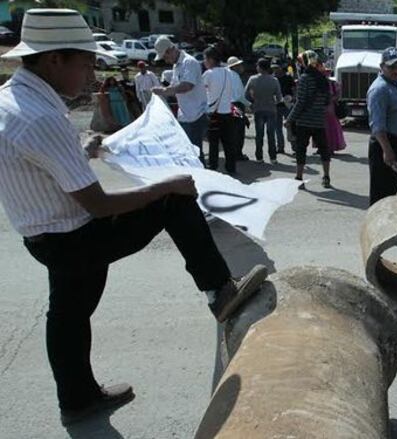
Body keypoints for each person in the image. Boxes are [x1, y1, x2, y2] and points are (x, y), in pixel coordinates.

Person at [0, 8, 266, 426]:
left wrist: (83, 144)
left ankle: (77, 399)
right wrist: (167, 186)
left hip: (43, 236)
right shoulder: (42, 117)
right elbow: (100, 204)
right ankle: (219, 290)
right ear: (54, 60)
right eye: (85, 63)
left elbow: (41, 159)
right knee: (173, 200)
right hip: (75, 236)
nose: (90, 74)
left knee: (67, 316)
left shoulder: (14, 99)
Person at [366, 47, 397, 205]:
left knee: (392, 190)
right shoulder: (379, 89)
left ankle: (386, 226)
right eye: (391, 66)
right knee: (381, 195)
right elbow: (377, 125)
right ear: (382, 67)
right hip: (385, 145)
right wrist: (387, 151)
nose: (396, 70)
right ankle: (376, 228)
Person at [152, 36, 209, 162]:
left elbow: (187, 85)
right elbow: (175, 86)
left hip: (196, 115)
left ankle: (202, 177)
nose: (166, 60)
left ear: (170, 50)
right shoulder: (176, 65)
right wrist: (164, 90)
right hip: (185, 114)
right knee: (187, 150)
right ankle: (196, 176)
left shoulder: (189, 62)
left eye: (165, 57)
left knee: (194, 151)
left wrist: (164, 91)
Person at [285, 50, 331, 188]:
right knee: (324, 149)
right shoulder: (323, 79)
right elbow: (327, 100)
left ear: (305, 63)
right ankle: (326, 176)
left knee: (301, 149)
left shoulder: (304, 78)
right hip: (319, 120)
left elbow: (300, 102)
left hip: (304, 121)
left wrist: (289, 119)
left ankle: (299, 178)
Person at [245, 58, 282, 164]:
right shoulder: (274, 80)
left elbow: (246, 94)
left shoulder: (252, 79)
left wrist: (251, 103)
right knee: (271, 134)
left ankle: (259, 157)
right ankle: (273, 157)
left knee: (259, 134)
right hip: (271, 109)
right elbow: (279, 98)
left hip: (258, 108)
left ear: (259, 67)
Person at [227, 56, 250, 161]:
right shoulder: (235, 76)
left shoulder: (226, 75)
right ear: (234, 67)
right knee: (239, 130)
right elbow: (240, 96)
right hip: (236, 106)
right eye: (239, 65)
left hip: (228, 105)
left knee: (231, 130)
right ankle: (238, 153)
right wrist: (249, 105)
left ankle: (232, 152)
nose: (241, 67)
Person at [272, 61, 296, 154]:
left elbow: (294, 89)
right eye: (273, 68)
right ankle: (280, 147)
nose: (275, 70)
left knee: (290, 126)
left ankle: (294, 147)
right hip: (276, 105)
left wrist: (294, 98)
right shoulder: (272, 78)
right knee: (277, 128)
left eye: (276, 68)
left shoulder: (288, 77)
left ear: (281, 68)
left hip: (288, 104)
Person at [324, 76, 347, 154]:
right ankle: (328, 147)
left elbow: (337, 95)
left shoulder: (331, 84)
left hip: (329, 109)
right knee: (329, 128)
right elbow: (337, 96)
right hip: (329, 108)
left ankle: (329, 147)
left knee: (329, 128)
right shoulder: (333, 84)